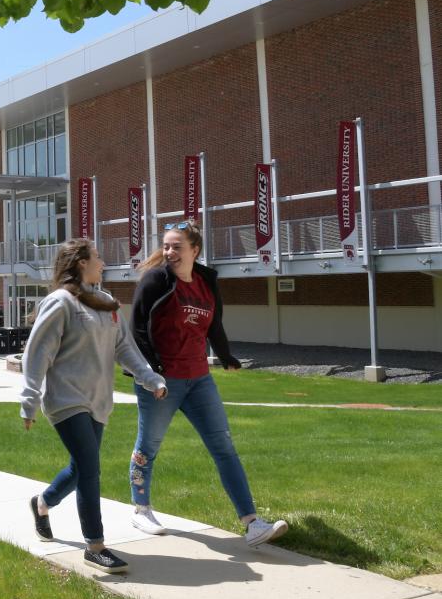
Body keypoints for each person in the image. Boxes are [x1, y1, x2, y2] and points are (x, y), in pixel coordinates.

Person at [128, 221, 288, 547]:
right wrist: (150, 373)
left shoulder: (205, 281)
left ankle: (252, 523)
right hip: (162, 380)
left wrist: (226, 355)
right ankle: (141, 508)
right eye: (167, 246)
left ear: (194, 250)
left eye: (177, 247)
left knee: (224, 447)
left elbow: (214, 323)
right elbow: (138, 329)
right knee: (149, 446)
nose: (170, 252)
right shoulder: (155, 280)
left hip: (199, 379)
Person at [20, 238, 167, 574]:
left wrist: (151, 378)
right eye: (97, 257)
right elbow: (37, 353)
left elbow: (126, 349)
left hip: (98, 401)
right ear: (81, 263)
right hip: (66, 400)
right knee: (90, 469)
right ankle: (95, 546)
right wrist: (29, 401)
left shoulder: (106, 305)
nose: (102, 262)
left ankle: (42, 504)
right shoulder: (61, 303)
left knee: (79, 468)